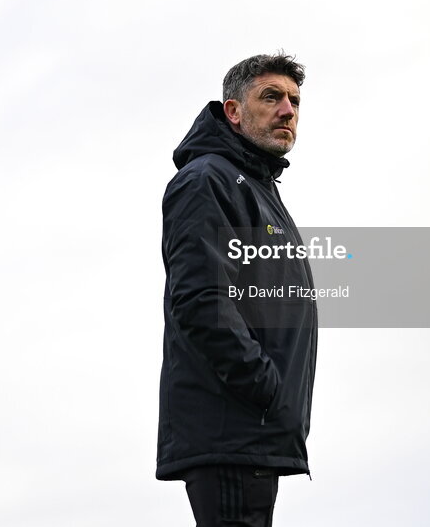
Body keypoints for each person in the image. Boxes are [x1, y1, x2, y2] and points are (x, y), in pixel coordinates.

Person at [157, 53, 318, 527]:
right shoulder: (208, 179)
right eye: (271, 97)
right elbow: (201, 300)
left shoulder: (257, 186)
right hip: (235, 425)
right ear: (233, 111)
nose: (287, 109)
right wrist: (265, 388)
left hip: (253, 430)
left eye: (294, 100)